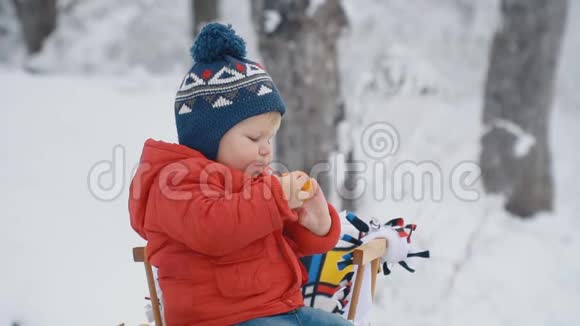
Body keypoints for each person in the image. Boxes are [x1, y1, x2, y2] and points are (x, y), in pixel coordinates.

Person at [129, 23, 351, 326]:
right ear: (209, 136)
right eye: (253, 139)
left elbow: (281, 241)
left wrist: (315, 224)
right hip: (220, 319)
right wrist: (276, 198)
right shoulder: (174, 182)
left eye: (270, 139)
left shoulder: (257, 183)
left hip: (279, 310)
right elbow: (216, 229)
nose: (266, 151)